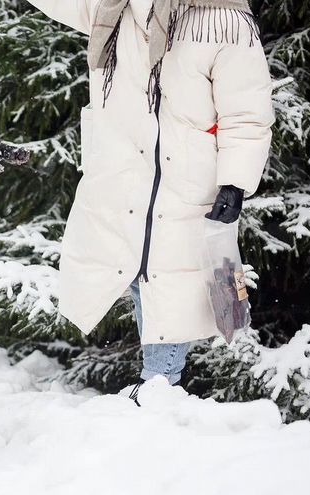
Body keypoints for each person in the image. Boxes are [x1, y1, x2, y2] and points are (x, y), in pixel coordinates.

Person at [25, 0, 274, 398]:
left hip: (183, 178)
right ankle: (158, 382)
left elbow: (247, 113)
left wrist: (235, 182)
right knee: (138, 272)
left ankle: (160, 382)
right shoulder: (112, 8)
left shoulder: (224, 21)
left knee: (164, 277)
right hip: (123, 171)